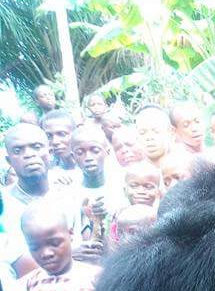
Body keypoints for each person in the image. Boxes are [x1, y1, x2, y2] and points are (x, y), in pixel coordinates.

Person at [1, 123, 75, 277]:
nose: (28, 154)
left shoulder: (71, 194)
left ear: (50, 152)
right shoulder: (3, 203)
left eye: (36, 147)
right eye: (18, 150)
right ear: (9, 161)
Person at [70, 123, 125, 249]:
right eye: (80, 152)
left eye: (95, 151)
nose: (88, 157)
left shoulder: (123, 186)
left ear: (107, 152)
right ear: (73, 157)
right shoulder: (68, 193)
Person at [40, 108, 78, 176]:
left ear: (75, 134)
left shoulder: (93, 162)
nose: (55, 142)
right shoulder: (48, 167)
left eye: (62, 134)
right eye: (49, 136)